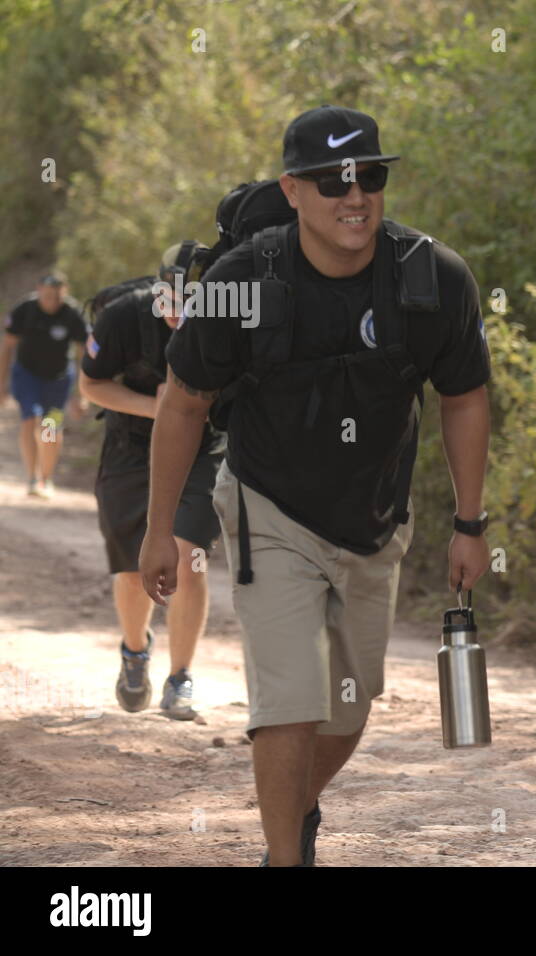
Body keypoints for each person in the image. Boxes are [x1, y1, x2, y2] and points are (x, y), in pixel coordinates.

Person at [139, 106, 492, 866]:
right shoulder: (242, 283)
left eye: (370, 176)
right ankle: (285, 857)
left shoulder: (431, 280)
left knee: (348, 706)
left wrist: (470, 522)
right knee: (293, 700)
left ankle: (290, 812)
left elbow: (464, 396)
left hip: (373, 519)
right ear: (292, 190)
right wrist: (159, 527)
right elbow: (184, 401)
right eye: (332, 181)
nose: (354, 195)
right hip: (270, 506)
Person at [80, 243, 224, 719]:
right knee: (129, 566)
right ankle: (135, 650)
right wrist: (156, 408)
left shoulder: (230, 320)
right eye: (174, 299)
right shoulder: (123, 317)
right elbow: (90, 385)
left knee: (190, 557)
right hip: (131, 446)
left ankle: (180, 678)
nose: (182, 312)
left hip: (201, 448)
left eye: (195, 303)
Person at [0, 271, 88, 497]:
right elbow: (8, 346)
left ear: (64, 293)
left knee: (50, 426)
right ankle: (31, 477)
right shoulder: (24, 310)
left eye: (57, 296)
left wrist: (82, 394)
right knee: (30, 418)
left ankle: (45, 479)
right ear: (38, 290)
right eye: (47, 295)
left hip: (58, 380)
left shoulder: (72, 314)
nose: (52, 301)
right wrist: (2, 384)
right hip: (26, 375)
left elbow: (83, 353)